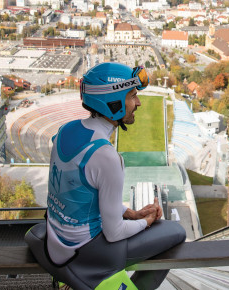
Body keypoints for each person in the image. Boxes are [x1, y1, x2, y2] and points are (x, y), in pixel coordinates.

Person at [25, 62, 186, 290]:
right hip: (86, 252)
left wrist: (131, 213)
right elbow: (114, 233)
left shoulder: (66, 130)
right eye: (132, 96)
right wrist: (146, 221)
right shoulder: (106, 156)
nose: (138, 103)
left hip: (56, 242)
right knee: (176, 232)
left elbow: (84, 196)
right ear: (113, 102)